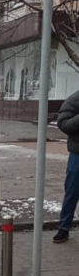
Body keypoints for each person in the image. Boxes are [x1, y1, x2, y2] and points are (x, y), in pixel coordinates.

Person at [54, 89, 79, 243]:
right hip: (78, 155)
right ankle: (64, 227)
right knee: (72, 191)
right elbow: (63, 123)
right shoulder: (75, 99)